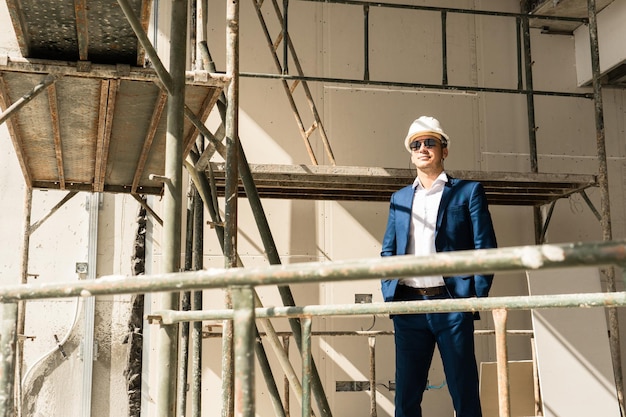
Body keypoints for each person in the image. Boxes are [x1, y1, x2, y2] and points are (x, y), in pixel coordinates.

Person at [380, 116, 497, 417]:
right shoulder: (400, 198)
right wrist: (390, 295)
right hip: (408, 306)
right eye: (415, 144)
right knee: (406, 396)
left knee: (464, 391)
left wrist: (474, 298)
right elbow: (389, 250)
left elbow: (486, 247)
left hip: (452, 304)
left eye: (430, 142)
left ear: (444, 150)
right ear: (411, 153)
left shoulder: (468, 192)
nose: (422, 148)